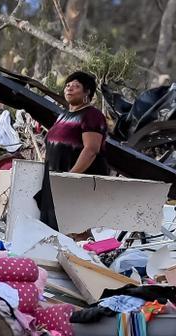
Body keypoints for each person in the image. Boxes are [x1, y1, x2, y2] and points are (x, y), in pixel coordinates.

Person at [38, 71, 109, 230]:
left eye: (76, 86)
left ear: (87, 92)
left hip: (76, 184)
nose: (69, 89)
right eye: (67, 85)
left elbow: (91, 149)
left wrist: (70, 176)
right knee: (52, 230)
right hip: (55, 182)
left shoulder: (92, 115)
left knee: (76, 231)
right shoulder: (63, 116)